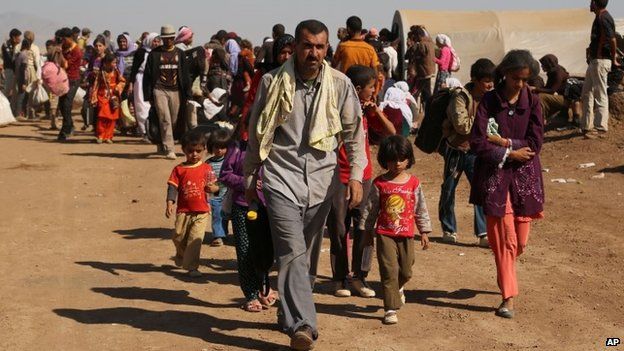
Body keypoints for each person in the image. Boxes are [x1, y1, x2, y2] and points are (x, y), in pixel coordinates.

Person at [244, 19, 367, 351]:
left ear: (327, 48)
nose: (313, 52)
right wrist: (251, 174)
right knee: (292, 251)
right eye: (307, 45)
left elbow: (355, 135)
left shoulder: (340, 85)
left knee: (304, 254)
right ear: (295, 47)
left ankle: (288, 312)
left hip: (322, 180)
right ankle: (303, 325)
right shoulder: (272, 82)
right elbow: (258, 131)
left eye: (320, 46)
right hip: (281, 177)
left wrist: (355, 175)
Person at [470, 50, 545, 319]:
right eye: (516, 79)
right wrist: (508, 153)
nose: (520, 84)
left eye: (525, 80)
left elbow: (536, 143)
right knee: (505, 240)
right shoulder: (489, 101)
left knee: (519, 242)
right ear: (505, 74)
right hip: (496, 177)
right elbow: (478, 141)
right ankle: (508, 297)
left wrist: (505, 142)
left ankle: (505, 271)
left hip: (525, 179)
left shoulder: (533, 101)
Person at [328, 64, 395, 299]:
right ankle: (339, 278)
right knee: (338, 227)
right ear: (357, 89)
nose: (373, 93)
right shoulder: (337, 111)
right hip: (338, 178)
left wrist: (375, 111)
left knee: (364, 228)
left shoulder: (368, 112)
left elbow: (392, 132)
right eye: (370, 88)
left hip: (363, 178)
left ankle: (360, 275)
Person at [360, 135, 431, 325]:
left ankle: (398, 288)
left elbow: (420, 208)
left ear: (408, 159)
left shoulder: (413, 183)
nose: (398, 163)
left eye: (402, 158)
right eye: (393, 159)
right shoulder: (379, 183)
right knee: (389, 271)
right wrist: (367, 233)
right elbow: (370, 210)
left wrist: (424, 231)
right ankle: (390, 308)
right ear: (385, 160)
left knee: (406, 271)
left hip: (407, 234)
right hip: (385, 234)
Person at [220, 127, 278, 313]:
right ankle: (252, 295)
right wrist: (247, 182)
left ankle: (265, 289)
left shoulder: (276, 149)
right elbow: (225, 175)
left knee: (265, 251)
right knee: (245, 253)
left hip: (269, 208)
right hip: (243, 208)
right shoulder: (237, 148)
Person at [438, 58, 496, 247]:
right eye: (486, 81)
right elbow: (462, 126)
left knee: (480, 190)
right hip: (456, 150)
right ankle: (449, 229)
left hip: (476, 151)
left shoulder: (491, 98)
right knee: (448, 189)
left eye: (491, 80)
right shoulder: (461, 96)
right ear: (476, 80)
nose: (490, 84)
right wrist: (485, 127)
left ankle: (483, 233)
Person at [166, 129, 218, 277]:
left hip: (201, 211)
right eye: (190, 151)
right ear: (183, 150)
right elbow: (172, 187)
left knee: (195, 240)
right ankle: (182, 255)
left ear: (204, 150)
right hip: (183, 211)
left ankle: (192, 267)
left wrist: (213, 188)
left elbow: (216, 189)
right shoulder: (179, 169)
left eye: (198, 151)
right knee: (178, 236)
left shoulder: (207, 168)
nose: (194, 154)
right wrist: (170, 202)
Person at [143, 24, 191, 159]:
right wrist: (148, 95)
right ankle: (169, 148)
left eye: (170, 38)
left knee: (175, 119)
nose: (168, 40)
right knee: (165, 119)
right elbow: (147, 75)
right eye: (165, 38)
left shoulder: (180, 54)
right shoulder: (154, 54)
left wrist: (188, 94)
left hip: (176, 91)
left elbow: (186, 75)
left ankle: (163, 142)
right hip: (159, 90)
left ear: (174, 38)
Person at [581, 0, 618, 138]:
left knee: (600, 93)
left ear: (596, 3)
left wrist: (613, 58)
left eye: (591, 2)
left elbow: (612, 39)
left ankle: (600, 128)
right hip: (595, 61)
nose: (590, 5)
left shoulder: (603, 17)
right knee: (587, 92)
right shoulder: (599, 17)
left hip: (601, 60)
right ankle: (586, 126)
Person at [128, 32, 160, 138]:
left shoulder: (159, 53)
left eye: (157, 41)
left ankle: (154, 130)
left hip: (154, 80)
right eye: (154, 41)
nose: (156, 43)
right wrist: (131, 83)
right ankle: (144, 130)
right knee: (141, 104)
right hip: (141, 79)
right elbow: (134, 69)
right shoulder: (141, 52)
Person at [89, 53, 125, 143]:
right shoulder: (100, 72)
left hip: (113, 97)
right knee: (102, 116)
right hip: (102, 96)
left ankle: (109, 136)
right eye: (113, 63)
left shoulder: (116, 71)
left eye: (115, 63)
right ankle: (101, 135)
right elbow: (96, 85)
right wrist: (94, 96)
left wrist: (118, 87)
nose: (115, 64)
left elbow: (122, 81)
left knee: (112, 117)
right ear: (106, 63)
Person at [535, 54, 581, 124]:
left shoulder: (558, 72)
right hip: (563, 97)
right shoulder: (552, 72)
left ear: (548, 65)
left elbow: (552, 90)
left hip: (568, 99)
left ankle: (541, 119)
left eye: (543, 65)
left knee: (541, 96)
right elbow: (548, 87)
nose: (541, 67)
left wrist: (536, 89)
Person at [205, 127, 231, 247]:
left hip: (229, 194)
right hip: (215, 196)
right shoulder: (208, 164)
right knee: (217, 215)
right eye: (216, 147)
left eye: (223, 147)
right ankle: (218, 236)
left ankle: (225, 233)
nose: (219, 150)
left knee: (226, 216)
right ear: (211, 147)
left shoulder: (230, 161)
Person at [57, 27, 83, 141]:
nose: (63, 42)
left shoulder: (76, 50)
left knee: (67, 104)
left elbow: (66, 65)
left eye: (64, 39)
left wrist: (60, 54)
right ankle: (70, 125)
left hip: (73, 80)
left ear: (69, 38)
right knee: (62, 105)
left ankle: (65, 130)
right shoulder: (64, 47)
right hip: (63, 79)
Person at [2, 28, 22, 114]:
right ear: (14, 37)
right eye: (18, 37)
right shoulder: (6, 45)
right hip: (9, 71)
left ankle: (12, 111)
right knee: (7, 90)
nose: (19, 39)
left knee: (15, 92)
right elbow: (9, 59)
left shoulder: (18, 46)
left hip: (16, 71)